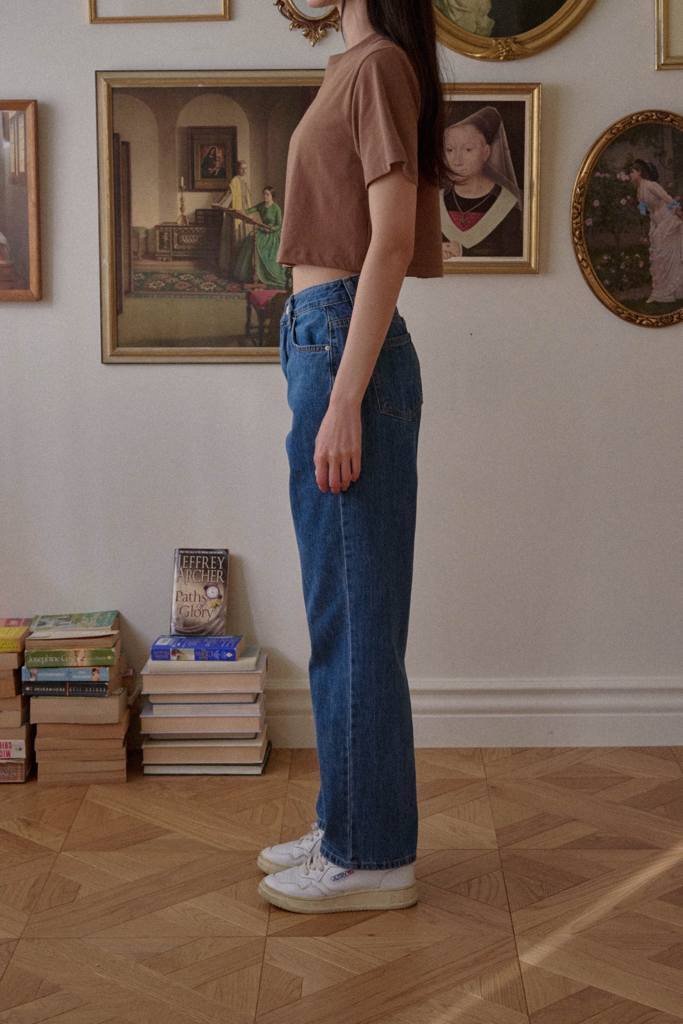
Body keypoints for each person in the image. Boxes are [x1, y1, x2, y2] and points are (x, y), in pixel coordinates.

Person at [256, 0, 445, 914]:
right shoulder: (354, 68)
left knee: (357, 619)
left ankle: (371, 855)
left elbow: (393, 240)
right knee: (341, 611)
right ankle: (347, 822)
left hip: (342, 353)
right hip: (321, 339)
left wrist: (341, 400)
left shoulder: (377, 68)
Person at [441, 105, 523, 260]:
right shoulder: (436, 202)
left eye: (468, 150)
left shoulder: (507, 205)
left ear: (486, 152)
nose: (457, 161)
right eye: (450, 150)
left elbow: (514, 262)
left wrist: (463, 253)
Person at [630, 159, 683, 305]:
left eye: (632, 172)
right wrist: (641, 214)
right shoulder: (639, 190)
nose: (630, 175)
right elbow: (644, 208)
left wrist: (679, 214)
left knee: (664, 255)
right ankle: (660, 292)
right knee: (658, 257)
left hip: (667, 220)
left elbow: (667, 198)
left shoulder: (651, 185)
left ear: (639, 172)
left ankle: (669, 291)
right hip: (656, 222)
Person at [232, 186, 287, 289]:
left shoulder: (276, 208)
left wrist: (271, 229)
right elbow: (249, 211)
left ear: (272, 196)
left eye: (267, 194)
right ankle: (250, 275)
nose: (265, 196)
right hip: (263, 230)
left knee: (260, 246)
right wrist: (241, 211)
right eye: (264, 194)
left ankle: (264, 275)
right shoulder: (261, 205)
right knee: (251, 239)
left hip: (273, 233)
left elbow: (279, 224)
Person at [213, 160, 251, 274]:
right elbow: (227, 194)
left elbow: (246, 198)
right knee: (234, 239)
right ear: (237, 169)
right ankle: (231, 267)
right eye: (242, 168)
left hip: (244, 212)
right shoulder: (234, 181)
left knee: (244, 239)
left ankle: (242, 268)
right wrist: (219, 203)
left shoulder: (245, 182)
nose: (244, 171)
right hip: (236, 212)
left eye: (246, 168)